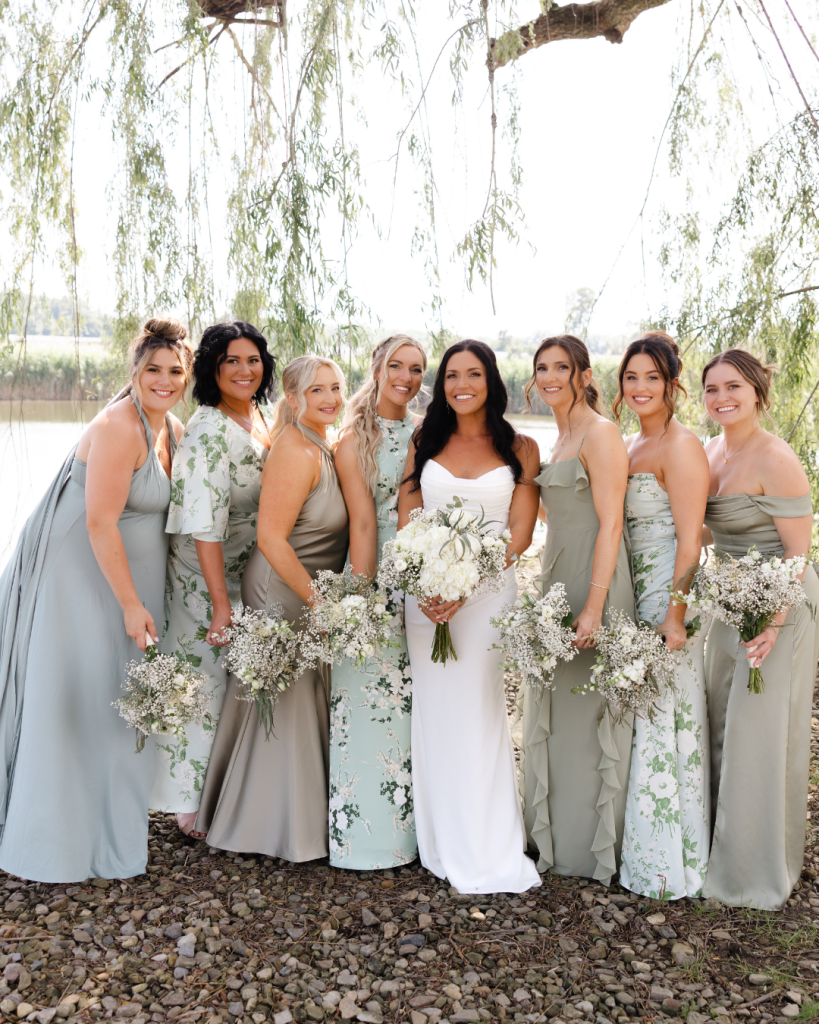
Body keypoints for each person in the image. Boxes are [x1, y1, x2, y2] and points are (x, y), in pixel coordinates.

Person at [0, 318, 192, 882]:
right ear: (134, 370)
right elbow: (100, 523)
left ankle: (112, 839)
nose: (164, 379)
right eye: (153, 369)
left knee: (118, 692)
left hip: (124, 576)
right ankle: (57, 841)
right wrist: (132, 604)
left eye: (175, 371)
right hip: (82, 571)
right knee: (82, 692)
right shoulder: (118, 426)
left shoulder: (171, 429)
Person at [398, 339, 541, 894]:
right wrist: (429, 584)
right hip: (426, 597)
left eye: (473, 374)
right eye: (452, 374)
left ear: (491, 382)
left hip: (486, 598)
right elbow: (409, 516)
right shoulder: (425, 439)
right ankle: (439, 841)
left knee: (479, 713)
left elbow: (521, 534)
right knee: (435, 711)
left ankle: (486, 843)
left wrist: (466, 583)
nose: (461, 384)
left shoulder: (521, 447)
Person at [195, 355, 349, 859]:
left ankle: (292, 818)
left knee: (296, 702)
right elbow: (271, 539)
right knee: (282, 701)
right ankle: (263, 825)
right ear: (293, 397)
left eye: (335, 388)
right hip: (282, 587)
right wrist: (319, 603)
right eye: (316, 390)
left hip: (304, 585)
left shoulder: (321, 443)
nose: (329, 398)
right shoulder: (294, 450)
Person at [701, 349, 819, 910]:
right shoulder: (710, 452)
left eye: (733, 387)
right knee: (721, 720)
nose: (722, 398)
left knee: (762, 733)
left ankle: (758, 867)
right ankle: (719, 846)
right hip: (728, 601)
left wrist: (773, 623)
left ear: (757, 392)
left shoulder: (777, 457)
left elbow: (798, 552)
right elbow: (701, 531)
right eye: (711, 389)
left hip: (781, 604)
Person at [150, 321, 275, 837]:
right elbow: (202, 524)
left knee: (227, 678)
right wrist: (220, 604)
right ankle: (184, 801)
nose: (244, 370)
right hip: (203, 571)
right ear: (212, 369)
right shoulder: (207, 431)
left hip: (243, 564)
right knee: (200, 676)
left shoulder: (257, 417)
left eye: (252, 360)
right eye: (230, 362)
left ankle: (221, 783)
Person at [519, 334, 635, 885]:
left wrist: (594, 606)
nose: (549, 377)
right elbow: (553, 513)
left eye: (561, 367)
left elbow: (611, 522)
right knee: (558, 708)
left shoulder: (602, 433)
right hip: (555, 573)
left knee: (590, 713)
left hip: (595, 576)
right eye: (542, 368)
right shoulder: (557, 437)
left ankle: (591, 851)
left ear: (585, 374)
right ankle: (554, 838)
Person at [614, 332, 711, 899]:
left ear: (672, 384)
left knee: (663, 716)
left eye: (652, 377)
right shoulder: (627, 445)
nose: (641, 387)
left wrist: (675, 614)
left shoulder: (682, 446)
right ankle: (635, 840)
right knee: (638, 714)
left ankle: (666, 859)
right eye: (632, 377)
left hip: (665, 596)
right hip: (630, 591)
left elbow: (691, 540)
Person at [330, 335, 426, 869]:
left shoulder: (425, 431)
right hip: (373, 573)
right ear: (377, 367)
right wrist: (363, 601)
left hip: (423, 568)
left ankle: (411, 835)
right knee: (365, 700)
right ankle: (362, 841)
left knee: (413, 704)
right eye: (397, 366)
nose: (407, 378)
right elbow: (363, 523)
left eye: (416, 369)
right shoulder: (351, 439)